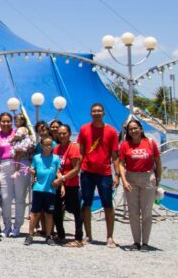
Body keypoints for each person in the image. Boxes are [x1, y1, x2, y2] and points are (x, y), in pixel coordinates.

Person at [77, 103, 120, 247]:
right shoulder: (84, 129)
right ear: (90, 113)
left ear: (104, 113)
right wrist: (77, 169)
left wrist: (117, 175)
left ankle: (110, 236)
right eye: (94, 111)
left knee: (108, 204)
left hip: (104, 173)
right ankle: (88, 235)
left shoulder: (112, 131)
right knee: (86, 203)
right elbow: (81, 151)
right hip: (87, 172)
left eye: (99, 111)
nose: (97, 113)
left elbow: (115, 156)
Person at [117, 119, 161, 251]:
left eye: (135, 128)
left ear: (141, 129)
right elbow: (120, 163)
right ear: (128, 132)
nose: (133, 131)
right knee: (133, 212)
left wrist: (157, 179)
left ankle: (145, 243)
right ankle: (136, 242)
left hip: (148, 178)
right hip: (131, 178)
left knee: (147, 212)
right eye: (131, 129)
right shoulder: (125, 145)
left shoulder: (150, 143)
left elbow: (158, 162)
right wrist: (123, 180)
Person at [0, 113, 27, 237]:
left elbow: (28, 143)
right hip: (4, 166)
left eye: (8, 121)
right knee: (5, 198)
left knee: (20, 197)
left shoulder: (18, 132)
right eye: (3, 121)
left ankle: (17, 227)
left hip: (19, 164)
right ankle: (7, 226)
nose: (6, 124)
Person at [25, 136, 63, 246]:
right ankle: (30, 235)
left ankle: (48, 235)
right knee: (35, 213)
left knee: (48, 214)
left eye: (50, 145)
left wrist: (61, 182)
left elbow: (58, 172)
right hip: (38, 189)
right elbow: (33, 168)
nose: (48, 147)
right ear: (41, 145)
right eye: (46, 145)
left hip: (50, 190)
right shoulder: (37, 158)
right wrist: (32, 171)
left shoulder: (55, 158)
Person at [53, 124, 83, 246]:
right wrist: (60, 179)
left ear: (69, 134)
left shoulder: (74, 147)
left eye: (64, 133)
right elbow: (56, 166)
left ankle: (78, 238)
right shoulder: (57, 148)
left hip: (72, 184)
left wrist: (63, 178)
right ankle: (60, 235)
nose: (61, 136)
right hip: (59, 184)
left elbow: (76, 169)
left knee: (76, 211)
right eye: (59, 133)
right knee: (57, 210)